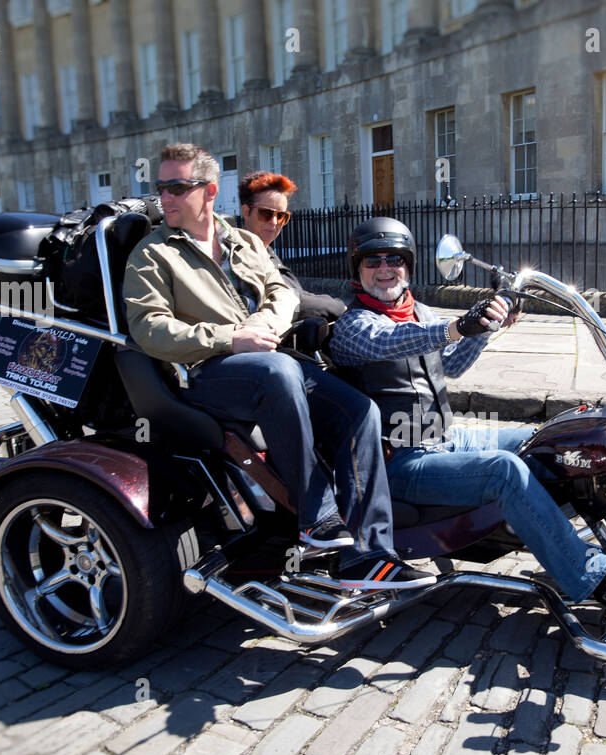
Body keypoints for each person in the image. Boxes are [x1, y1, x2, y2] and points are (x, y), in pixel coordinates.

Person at [123, 144, 432, 590]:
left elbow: (281, 291)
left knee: (359, 410)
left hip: (268, 361)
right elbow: (147, 329)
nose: (164, 197)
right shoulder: (152, 254)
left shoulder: (244, 242)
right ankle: (317, 517)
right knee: (280, 373)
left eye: (176, 187)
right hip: (207, 373)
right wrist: (232, 339)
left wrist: (262, 326)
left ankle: (370, 554)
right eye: (161, 187)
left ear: (209, 192)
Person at [328, 217, 606, 605]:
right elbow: (392, 342)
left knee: (546, 439)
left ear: (409, 264)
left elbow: (450, 364)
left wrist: (488, 324)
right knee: (504, 472)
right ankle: (593, 579)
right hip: (398, 463)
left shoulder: (418, 310)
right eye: (373, 261)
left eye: (394, 259)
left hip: (443, 437)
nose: (385, 269)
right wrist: (457, 326)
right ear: (358, 268)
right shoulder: (353, 324)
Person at [237, 170, 348, 324]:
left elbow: (298, 293)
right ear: (246, 211)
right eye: (266, 213)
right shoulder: (240, 256)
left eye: (281, 216)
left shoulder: (266, 251)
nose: (274, 222)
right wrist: (340, 308)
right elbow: (294, 301)